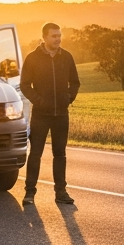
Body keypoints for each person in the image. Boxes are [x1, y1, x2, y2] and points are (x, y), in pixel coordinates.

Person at [20, 22, 80, 206]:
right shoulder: (33, 58)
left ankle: (60, 192)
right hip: (40, 115)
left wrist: (68, 98)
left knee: (60, 154)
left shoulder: (67, 57)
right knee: (35, 154)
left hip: (61, 115)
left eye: (59, 35)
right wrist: (39, 101)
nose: (58, 39)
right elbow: (24, 85)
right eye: (54, 36)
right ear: (45, 37)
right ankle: (29, 193)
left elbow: (75, 82)